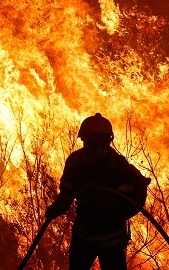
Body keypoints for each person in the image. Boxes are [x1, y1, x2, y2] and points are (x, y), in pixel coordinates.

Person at [45, 113, 151, 270]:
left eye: (99, 141)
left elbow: (139, 189)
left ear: (108, 141)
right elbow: (67, 193)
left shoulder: (118, 164)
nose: (95, 146)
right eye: (91, 141)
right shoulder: (75, 162)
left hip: (112, 237)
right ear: (83, 140)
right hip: (84, 233)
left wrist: (119, 213)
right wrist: (56, 208)